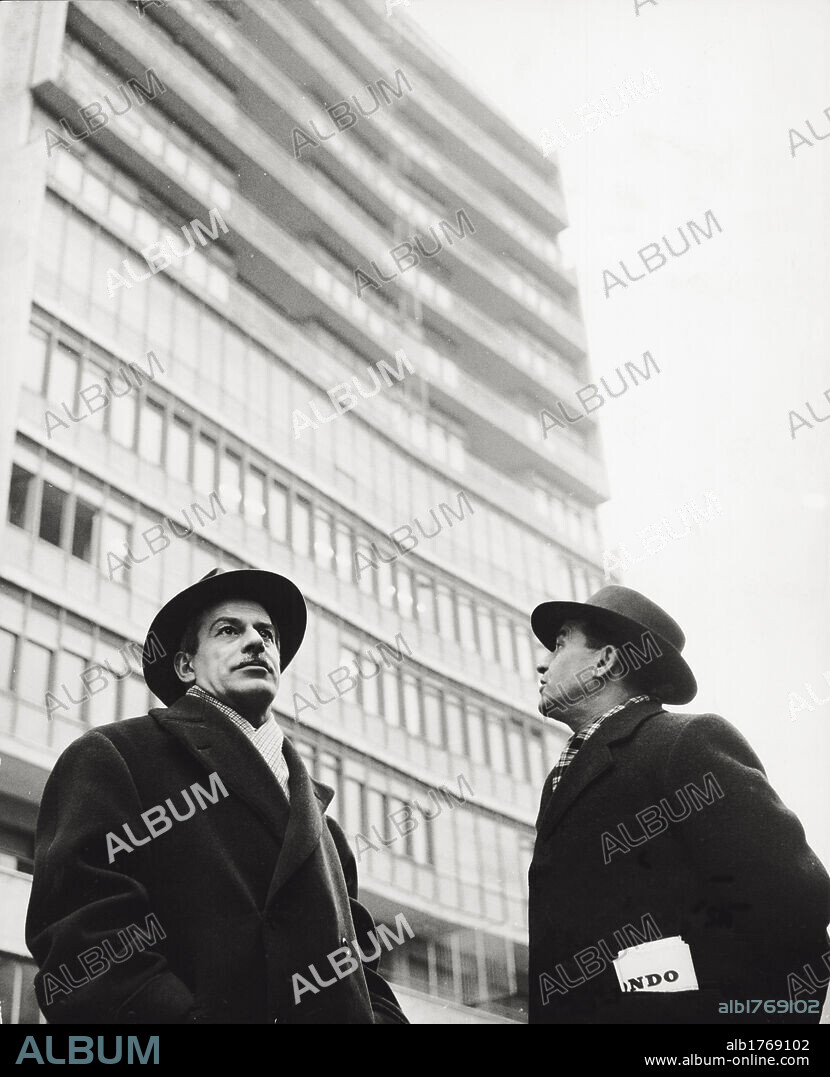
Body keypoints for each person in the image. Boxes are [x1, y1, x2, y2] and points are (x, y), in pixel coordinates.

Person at [26, 567, 408, 1024]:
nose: (256, 642)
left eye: (267, 634)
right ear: (186, 665)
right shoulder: (117, 758)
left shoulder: (329, 834)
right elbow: (86, 947)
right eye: (229, 630)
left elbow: (364, 977)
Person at [528, 584, 830, 1024]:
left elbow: (797, 905)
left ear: (605, 661)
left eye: (559, 645)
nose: (543, 662)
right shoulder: (560, 779)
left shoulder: (683, 743)